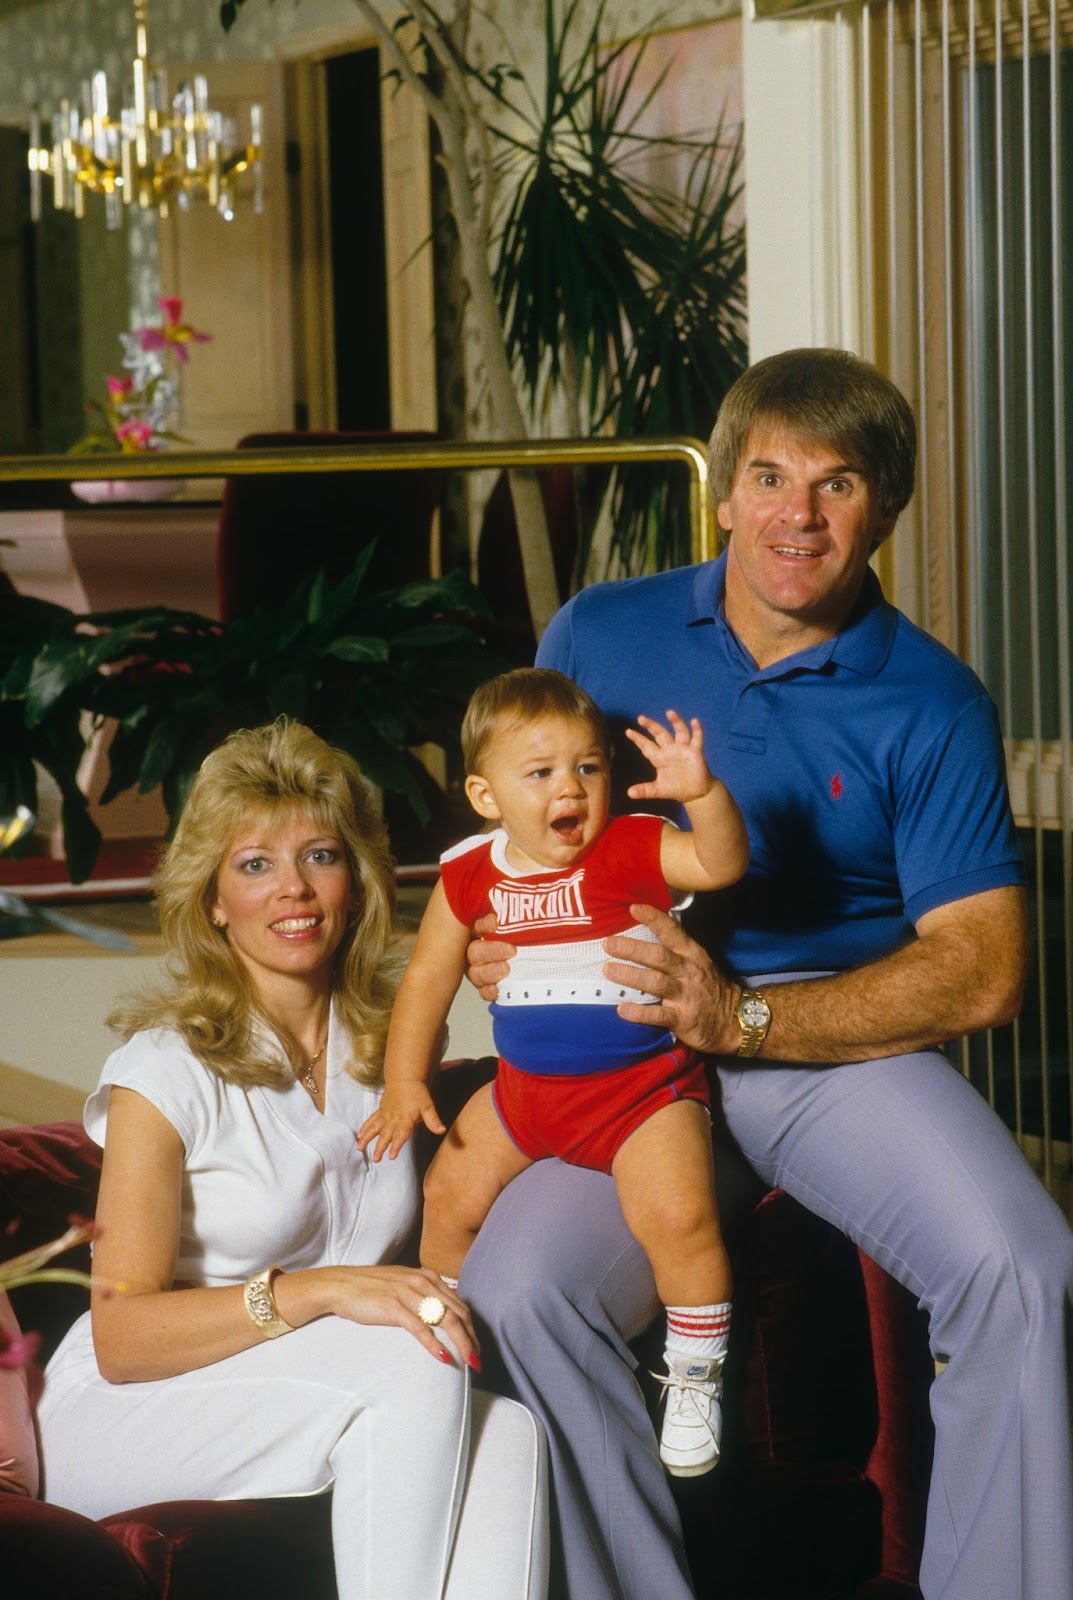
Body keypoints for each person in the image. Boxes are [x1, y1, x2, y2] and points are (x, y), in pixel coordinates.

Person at [459, 348, 1073, 1600]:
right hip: (631, 1060)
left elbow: (983, 971)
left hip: (827, 1056)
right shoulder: (600, 631)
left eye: (836, 485)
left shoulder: (932, 699)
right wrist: (502, 934)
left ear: (883, 511)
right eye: (769, 476)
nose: (798, 515)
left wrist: (741, 1013)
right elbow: (528, 823)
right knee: (517, 1287)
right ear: (724, 496)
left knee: (1024, 1268)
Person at [36, 719, 548, 1600]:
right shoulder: (162, 1071)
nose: (294, 891)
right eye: (255, 865)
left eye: (320, 855)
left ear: (356, 883)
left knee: (512, 1435)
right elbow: (122, 1339)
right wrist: (320, 1290)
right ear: (211, 899)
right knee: (411, 1364)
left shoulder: (385, 1051)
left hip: (297, 1381)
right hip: (127, 1410)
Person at [358, 667, 749, 1478]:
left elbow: (717, 866)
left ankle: (695, 1371)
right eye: (538, 773)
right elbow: (428, 982)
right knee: (447, 1193)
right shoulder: (470, 873)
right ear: (485, 793)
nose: (569, 788)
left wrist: (702, 796)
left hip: (641, 1093)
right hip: (522, 1095)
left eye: (588, 767)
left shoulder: (633, 845)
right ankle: (441, 1337)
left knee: (679, 1217)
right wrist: (405, 1082)